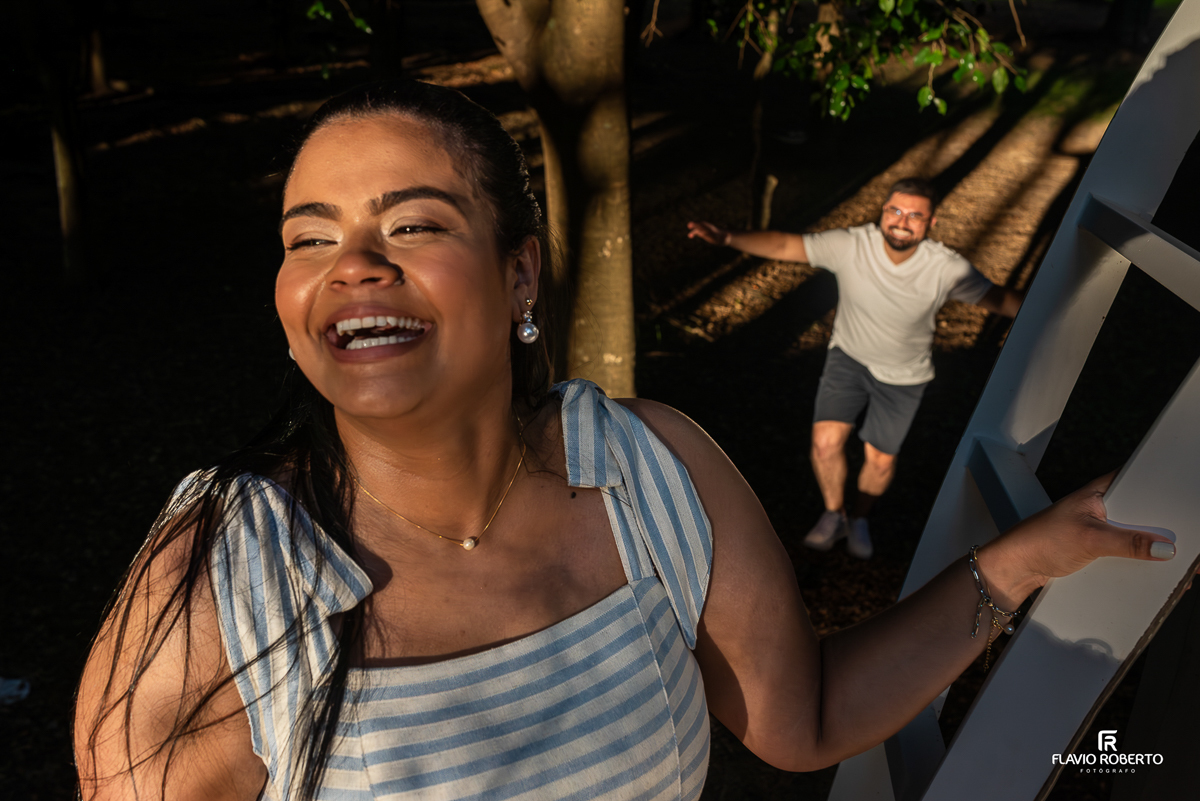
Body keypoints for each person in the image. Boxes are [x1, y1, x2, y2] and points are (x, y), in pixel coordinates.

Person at [75, 81, 1175, 801]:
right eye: (308, 238)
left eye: (410, 224)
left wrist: (1024, 559)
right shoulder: (222, 580)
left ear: (519, 275)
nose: (349, 263)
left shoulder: (657, 471)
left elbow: (808, 720)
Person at [687, 180, 1024, 559]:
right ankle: (835, 514)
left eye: (915, 215)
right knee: (824, 443)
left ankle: (860, 517)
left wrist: (1055, 303)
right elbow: (784, 245)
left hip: (904, 376)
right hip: (848, 358)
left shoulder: (945, 268)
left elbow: (998, 298)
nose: (902, 221)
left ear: (930, 223)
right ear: (882, 212)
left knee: (879, 461)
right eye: (895, 210)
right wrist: (729, 237)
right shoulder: (852, 245)